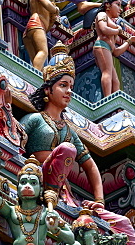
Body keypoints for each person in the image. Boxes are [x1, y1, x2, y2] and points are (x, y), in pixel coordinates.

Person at [21, 45, 104, 204]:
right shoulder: (35, 119)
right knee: (67, 148)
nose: (69, 91)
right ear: (47, 90)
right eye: (63, 85)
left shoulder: (69, 132)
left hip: (62, 191)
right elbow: (15, 138)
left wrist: (99, 202)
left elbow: (91, 167)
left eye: (71, 87)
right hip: (34, 178)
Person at [93, 0, 135, 98]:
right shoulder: (102, 15)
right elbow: (104, 29)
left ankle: (115, 103)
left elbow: (116, 52)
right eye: (117, 4)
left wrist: (129, 41)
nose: (120, 9)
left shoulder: (111, 21)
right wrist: (118, 30)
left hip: (107, 48)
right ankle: (107, 99)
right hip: (101, 46)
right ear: (107, 5)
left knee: (115, 81)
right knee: (107, 73)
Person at [25, 0, 63, 72]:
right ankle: (34, 77)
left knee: (37, 62)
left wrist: (52, 19)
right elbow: (46, 4)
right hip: (36, 24)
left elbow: (47, 28)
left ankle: (36, 81)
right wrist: (55, 9)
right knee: (43, 52)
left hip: (35, 28)